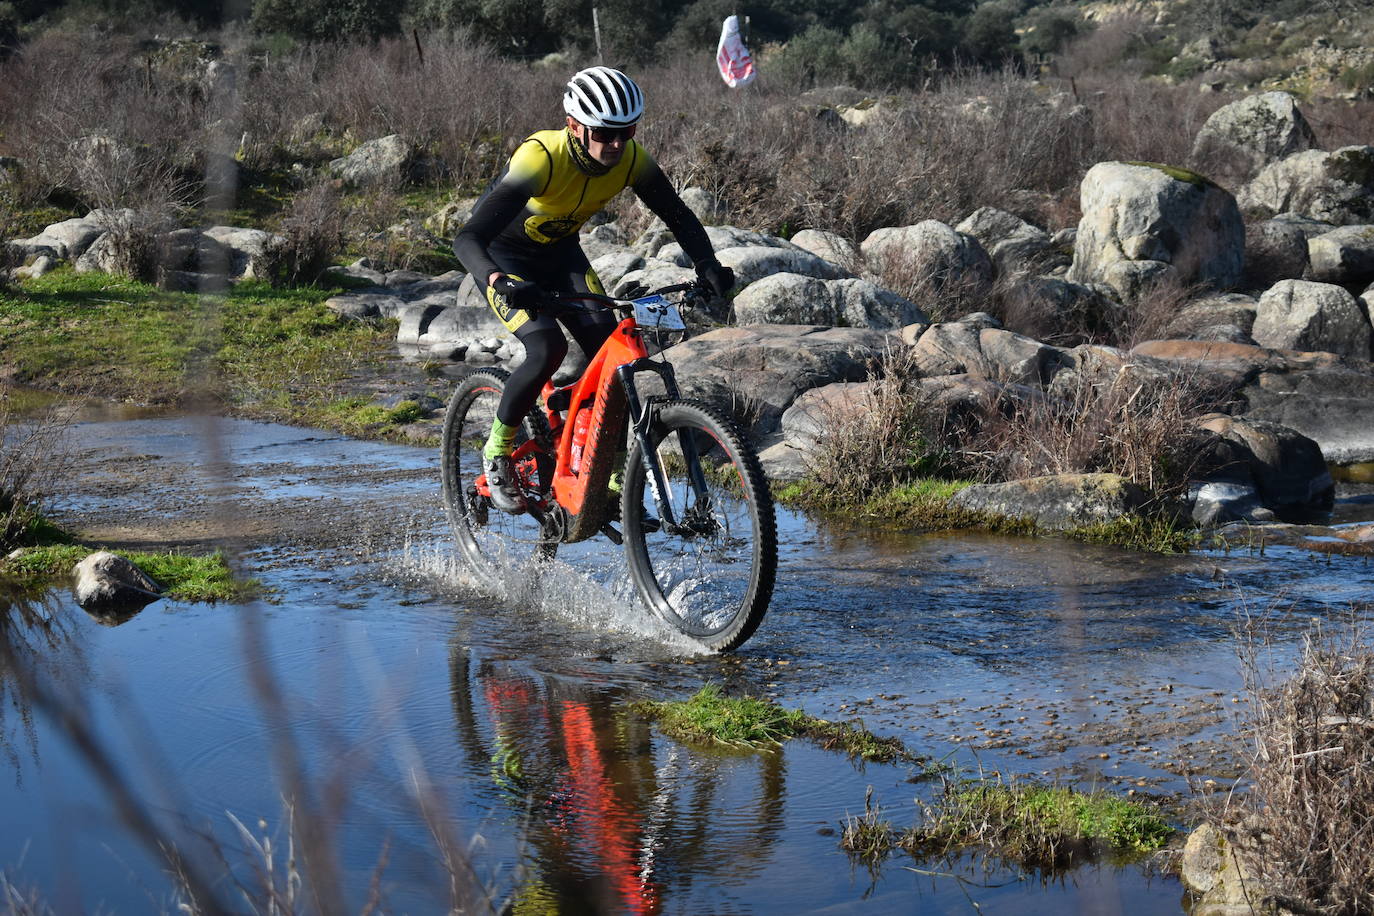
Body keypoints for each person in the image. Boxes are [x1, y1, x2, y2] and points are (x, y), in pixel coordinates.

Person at [454, 65, 734, 514]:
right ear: (574, 125)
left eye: (626, 131)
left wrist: (707, 263)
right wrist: (498, 280)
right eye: (606, 133)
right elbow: (467, 239)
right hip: (507, 261)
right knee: (546, 349)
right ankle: (497, 454)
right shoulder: (540, 158)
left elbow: (677, 215)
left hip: (561, 256)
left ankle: (604, 469)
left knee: (614, 353)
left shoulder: (630, 160)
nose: (617, 143)